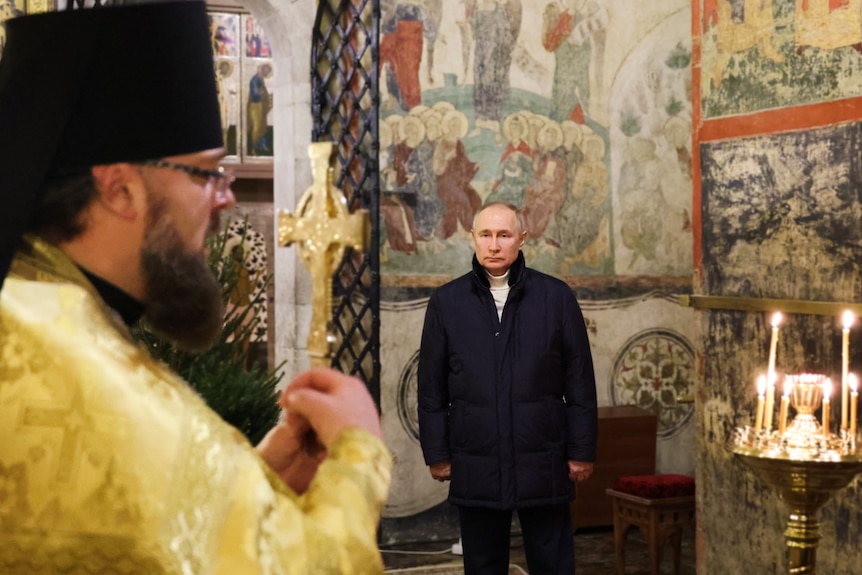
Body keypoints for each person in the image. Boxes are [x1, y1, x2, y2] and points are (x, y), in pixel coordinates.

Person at [0, 3, 391, 574]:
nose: (225, 196)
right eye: (208, 173)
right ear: (120, 189)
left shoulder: (40, 310)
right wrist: (360, 453)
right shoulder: (75, 368)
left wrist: (252, 487)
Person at [418, 201, 598, 574]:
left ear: (522, 240)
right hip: (476, 457)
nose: (494, 245)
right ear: (473, 238)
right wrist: (438, 452)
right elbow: (431, 386)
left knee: (552, 563)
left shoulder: (556, 297)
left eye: (504, 235)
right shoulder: (447, 303)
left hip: (543, 458)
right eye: (486, 235)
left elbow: (580, 381)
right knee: (483, 565)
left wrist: (581, 450)